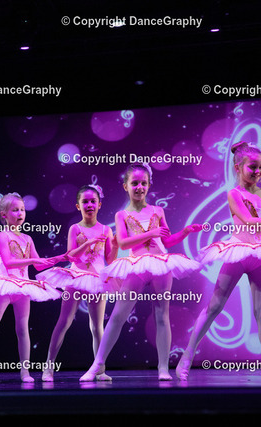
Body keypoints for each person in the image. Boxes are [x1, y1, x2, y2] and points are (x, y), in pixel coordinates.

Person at [80, 163, 202, 381]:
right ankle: (97, 365)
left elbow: (166, 240)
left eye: (143, 183)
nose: (139, 187)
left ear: (149, 185)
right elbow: (123, 243)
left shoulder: (157, 211)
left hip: (160, 264)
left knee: (162, 315)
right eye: (134, 183)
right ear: (125, 186)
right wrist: (151, 233)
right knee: (118, 316)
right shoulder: (122, 215)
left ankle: (163, 368)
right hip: (136, 265)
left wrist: (185, 232)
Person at [176, 142, 261, 380]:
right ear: (238, 167)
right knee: (215, 305)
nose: (257, 172)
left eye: (260, 168)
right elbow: (248, 220)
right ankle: (187, 355)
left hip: (258, 254)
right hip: (238, 252)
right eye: (253, 167)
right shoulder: (234, 194)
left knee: (260, 310)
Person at [0, 192, 65, 383]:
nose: (20, 213)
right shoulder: (3, 236)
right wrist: (33, 260)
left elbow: (39, 265)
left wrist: (60, 258)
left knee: (23, 329)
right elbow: (9, 263)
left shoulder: (28, 238)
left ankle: (25, 372)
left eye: (22, 210)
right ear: (4, 215)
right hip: (6, 284)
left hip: (23, 287)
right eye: (15, 210)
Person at [36, 185, 118, 382]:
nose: (89, 205)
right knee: (64, 321)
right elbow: (71, 255)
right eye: (85, 201)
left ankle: (100, 369)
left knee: (97, 326)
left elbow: (110, 259)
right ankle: (48, 366)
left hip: (97, 280)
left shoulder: (106, 230)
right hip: (75, 277)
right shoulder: (75, 228)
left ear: (99, 205)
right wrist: (88, 243)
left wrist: (114, 245)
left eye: (93, 201)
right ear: (78, 206)